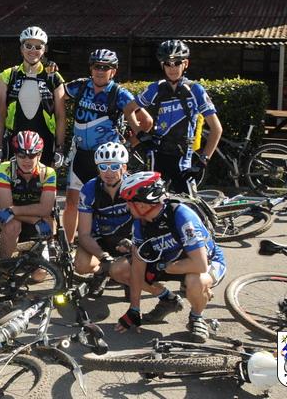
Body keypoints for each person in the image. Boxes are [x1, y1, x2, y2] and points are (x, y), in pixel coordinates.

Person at [113, 171, 227, 343]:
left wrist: (167, 267)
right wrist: (134, 308)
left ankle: (196, 317)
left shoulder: (182, 216)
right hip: (168, 261)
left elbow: (200, 265)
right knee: (121, 269)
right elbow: (137, 268)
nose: (127, 207)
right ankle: (168, 300)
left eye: (129, 203)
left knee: (196, 281)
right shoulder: (140, 223)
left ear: (142, 205)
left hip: (206, 262)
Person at [61, 49, 152, 241]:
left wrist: (130, 143)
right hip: (80, 154)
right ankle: (67, 248)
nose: (100, 71)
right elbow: (57, 92)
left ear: (114, 71)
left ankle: (101, 244)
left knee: (103, 204)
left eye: (106, 67)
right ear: (91, 68)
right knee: (71, 203)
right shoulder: (81, 86)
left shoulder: (120, 94)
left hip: (106, 160)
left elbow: (147, 122)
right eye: (97, 66)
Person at [136, 40, 222, 195]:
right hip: (157, 155)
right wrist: (140, 133)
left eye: (177, 63)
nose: (172, 68)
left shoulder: (195, 90)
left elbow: (216, 129)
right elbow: (129, 109)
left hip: (183, 158)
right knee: (153, 203)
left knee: (188, 204)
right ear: (162, 65)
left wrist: (203, 161)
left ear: (186, 64)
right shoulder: (155, 88)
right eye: (167, 64)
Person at [0, 27, 65, 166]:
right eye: (28, 46)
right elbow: (1, 113)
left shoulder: (53, 76)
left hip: (45, 140)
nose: (33, 50)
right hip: (14, 139)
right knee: (12, 178)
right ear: (21, 48)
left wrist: (59, 148)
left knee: (45, 178)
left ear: (44, 50)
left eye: (38, 47)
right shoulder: (9, 75)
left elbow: (61, 115)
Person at [75, 142, 133, 285]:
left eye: (114, 167)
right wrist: (103, 257)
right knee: (81, 265)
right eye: (103, 167)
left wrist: (134, 245)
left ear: (124, 168)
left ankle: (119, 272)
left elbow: (145, 224)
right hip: (101, 241)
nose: (108, 172)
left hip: (129, 241)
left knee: (121, 271)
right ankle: (103, 272)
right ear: (98, 169)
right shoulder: (89, 189)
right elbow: (83, 234)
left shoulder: (133, 187)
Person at [0, 131, 57, 259]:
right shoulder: (5, 169)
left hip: (37, 218)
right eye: (22, 155)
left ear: (39, 155)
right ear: (15, 155)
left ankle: (43, 253)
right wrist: (35, 220)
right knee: (13, 226)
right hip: (11, 219)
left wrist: (13, 210)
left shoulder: (48, 173)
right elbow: (6, 208)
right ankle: (4, 264)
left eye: (32, 155)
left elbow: (45, 210)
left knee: (39, 273)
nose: (27, 160)